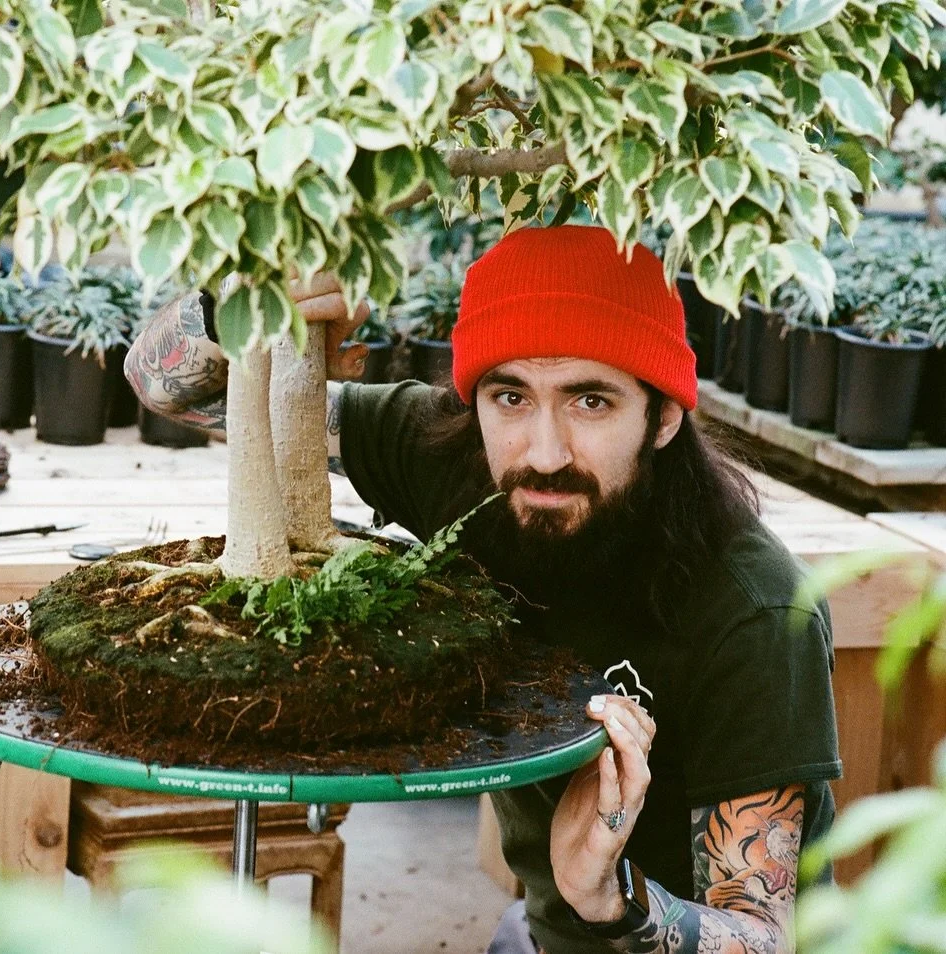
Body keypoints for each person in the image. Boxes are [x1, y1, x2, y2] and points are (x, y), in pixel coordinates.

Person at [125, 224, 840, 953]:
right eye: (511, 396)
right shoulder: (458, 461)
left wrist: (614, 901)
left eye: (591, 402)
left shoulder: (753, 612)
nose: (545, 452)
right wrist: (242, 302)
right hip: (543, 932)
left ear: (663, 418)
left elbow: (764, 938)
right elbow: (166, 389)